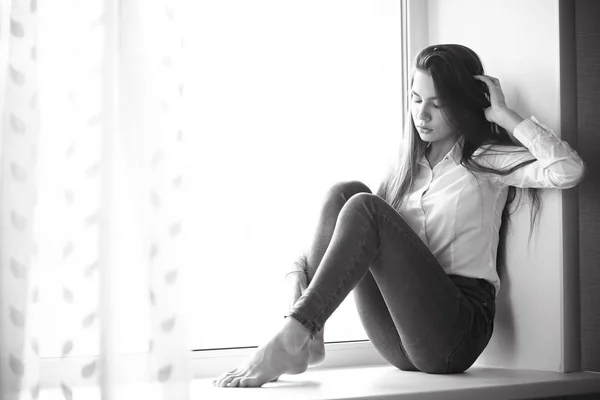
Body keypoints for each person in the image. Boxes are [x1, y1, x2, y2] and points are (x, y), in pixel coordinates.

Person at [213, 44, 586, 388]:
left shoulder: (486, 157)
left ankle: (292, 334)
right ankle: (309, 338)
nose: (421, 115)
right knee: (345, 194)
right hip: (401, 335)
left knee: (364, 206)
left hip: (455, 333)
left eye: (437, 105)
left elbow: (568, 170)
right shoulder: (405, 164)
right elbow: (355, 238)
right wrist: (300, 272)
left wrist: (502, 114)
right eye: (415, 98)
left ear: (463, 104)